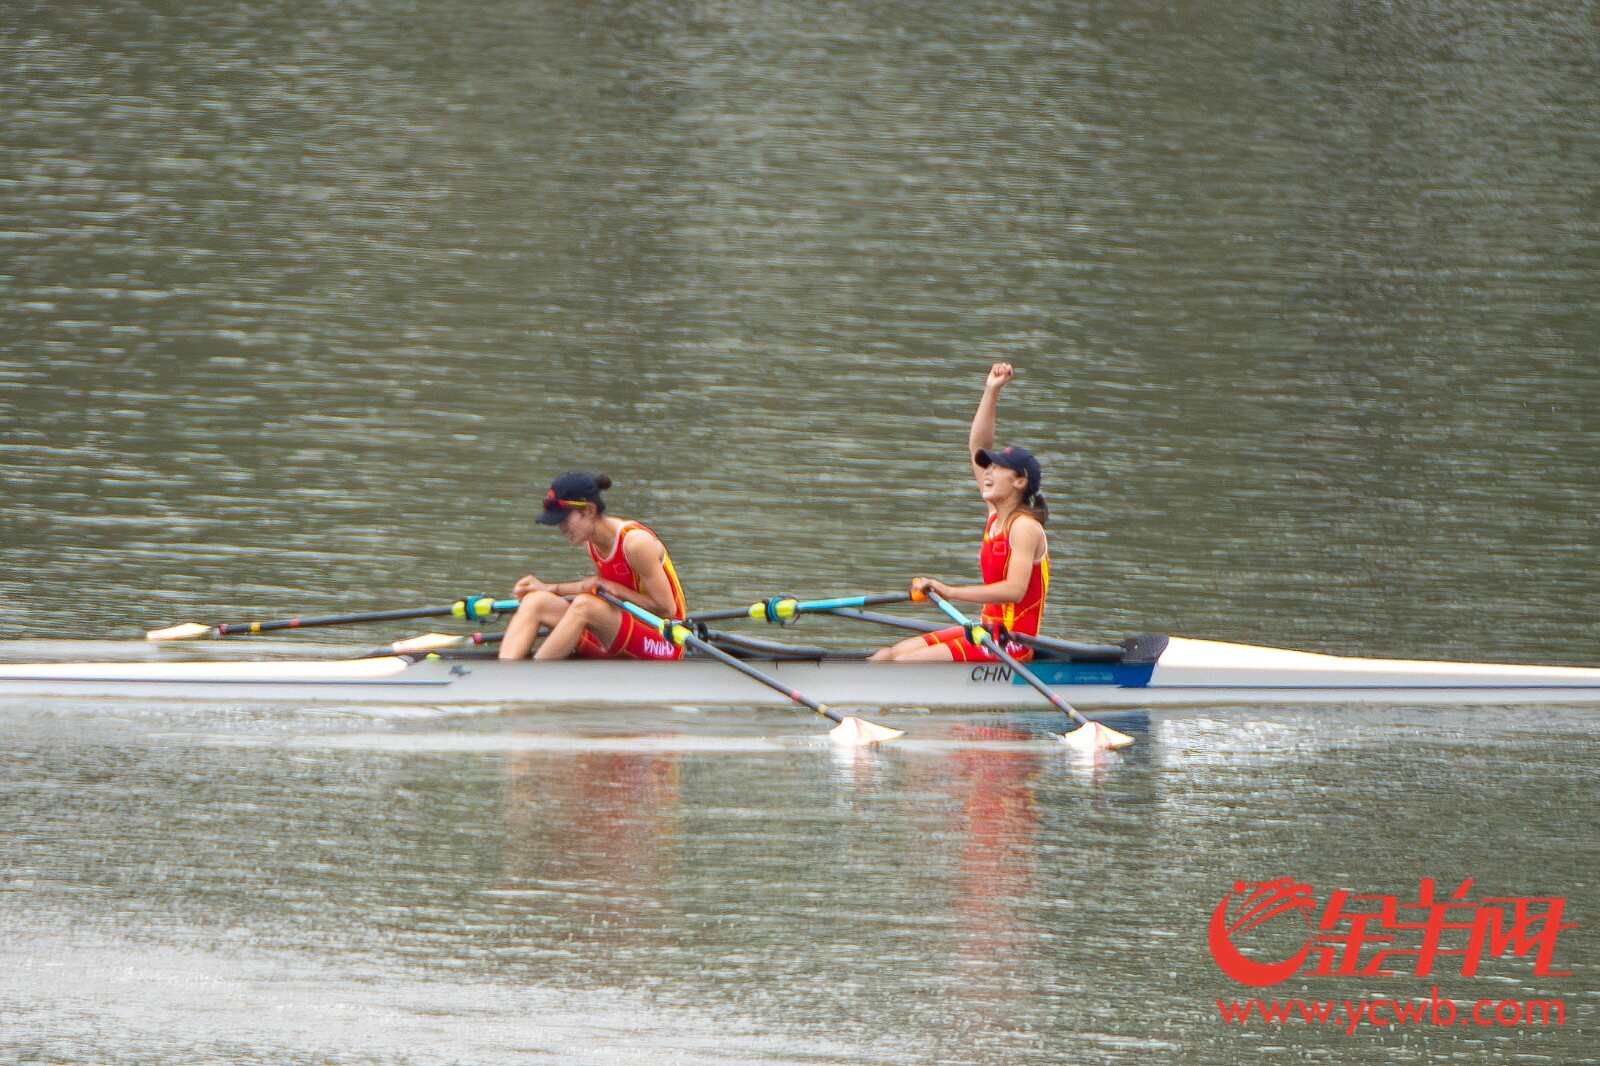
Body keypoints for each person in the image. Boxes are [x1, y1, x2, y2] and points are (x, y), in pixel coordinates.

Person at [869, 362, 1049, 663]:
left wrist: (949, 591)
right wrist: (991, 390)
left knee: (904, 664)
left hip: (1014, 641)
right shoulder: (996, 514)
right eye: (987, 467)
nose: (987, 473)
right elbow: (978, 445)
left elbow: (1015, 591)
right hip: (986, 630)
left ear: (1019, 481)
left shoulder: (1024, 527)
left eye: (997, 468)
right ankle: (861, 706)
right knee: (888, 655)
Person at [498, 472, 689, 661]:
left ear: (589, 511)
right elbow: (593, 586)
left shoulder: (636, 543)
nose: (561, 529)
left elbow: (667, 609)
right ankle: (505, 673)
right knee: (535, 601)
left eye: (564, 520)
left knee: (585, 606)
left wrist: (618, 591)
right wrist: (547, 588)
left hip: (665, 642)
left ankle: (534, 676)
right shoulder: (592, 541)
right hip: (623, 633)